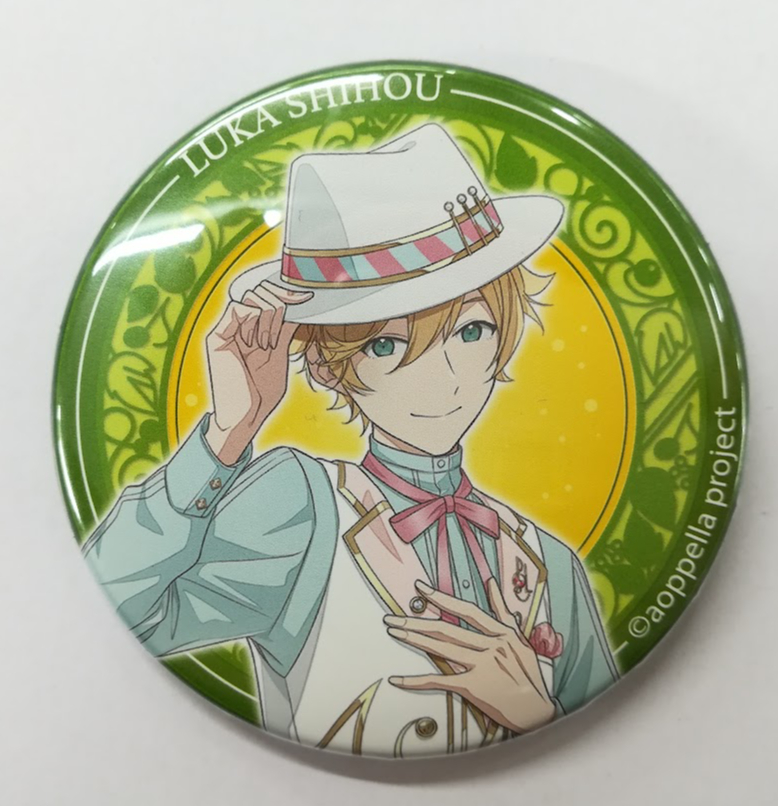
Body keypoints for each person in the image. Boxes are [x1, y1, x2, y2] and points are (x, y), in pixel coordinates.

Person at [84, 124, 617, 758]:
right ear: (329, 364)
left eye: (472, 331)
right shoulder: (299, 505)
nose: (443, 378)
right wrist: (228, 433)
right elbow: (111, 608)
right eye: (387, 345)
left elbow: (601, 745)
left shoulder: (550, 562)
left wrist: (534, 714)